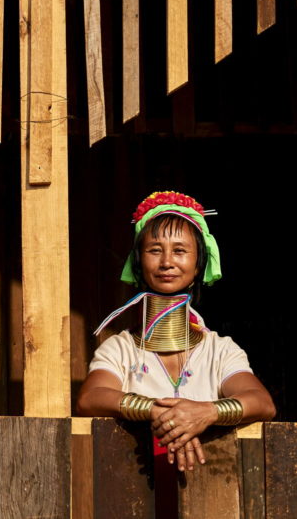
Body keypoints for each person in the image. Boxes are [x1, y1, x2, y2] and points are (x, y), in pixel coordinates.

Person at [77, 191, 275, 472]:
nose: (167, 262)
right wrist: (160, 412)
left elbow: (262, 403)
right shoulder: (119, 348)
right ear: (139, 262)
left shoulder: (220, 350)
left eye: (180, 251)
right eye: (155, 250)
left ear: (198, 266)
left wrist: (206, 412)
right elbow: (90, 398)